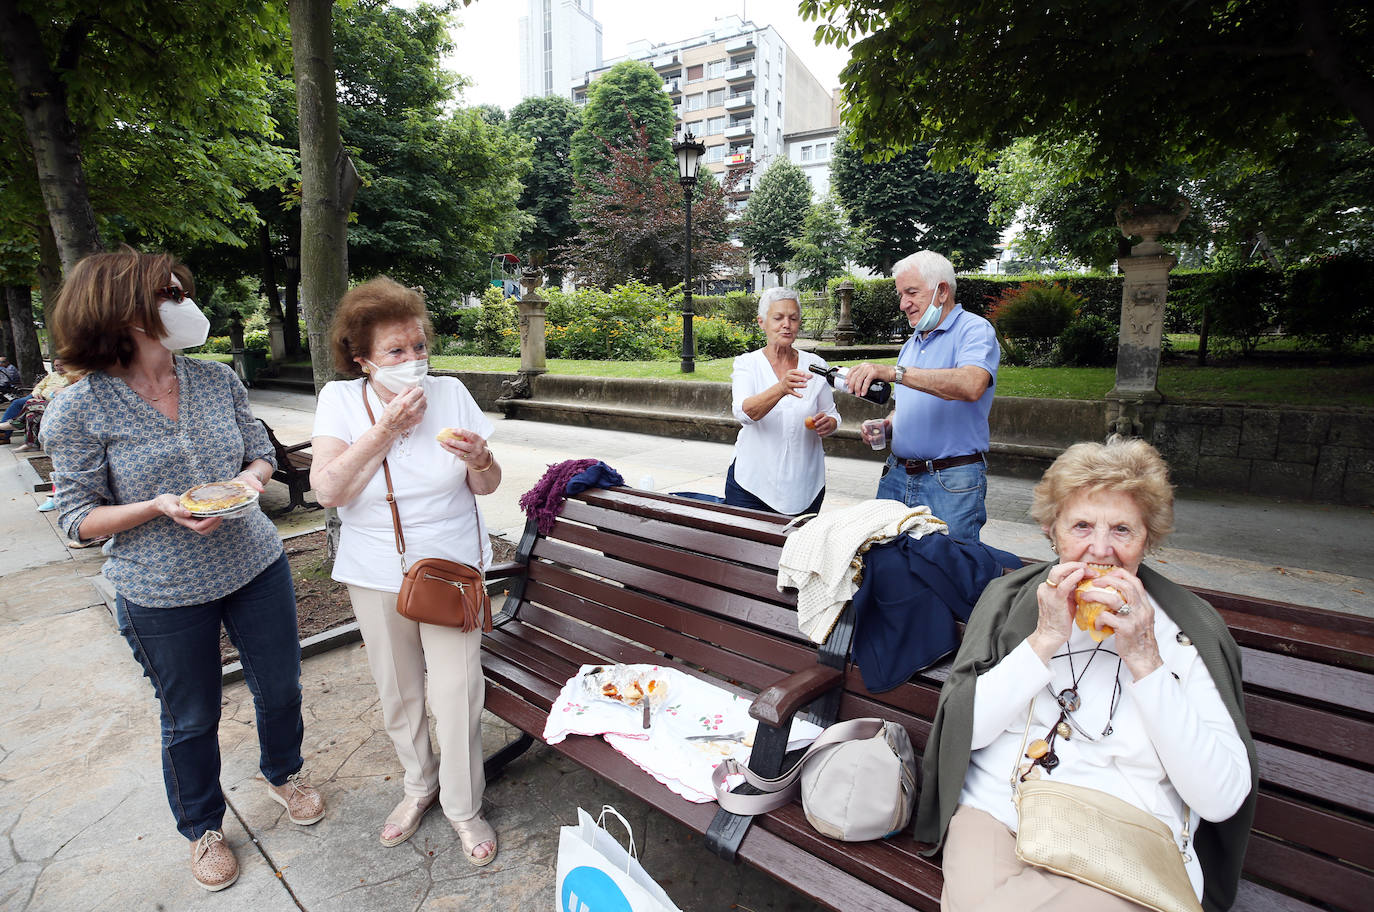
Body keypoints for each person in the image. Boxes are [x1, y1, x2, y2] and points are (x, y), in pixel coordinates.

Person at [40, 249, 323, 892]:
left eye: (180, 291)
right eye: (166, 296)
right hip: (161, 590)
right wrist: (157, 508)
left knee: (281, 689)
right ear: (122, 311)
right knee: (190, 716)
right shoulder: (80, 408)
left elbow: (258, 454)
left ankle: (282, 773)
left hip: (255, 563)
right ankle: (202, 827)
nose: (183, 304)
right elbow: (75, 518)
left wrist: (247, 485)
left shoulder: (216, 378)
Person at [914, 438, 1257, 911]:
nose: (1101, 550)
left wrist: (1145, 660)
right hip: (1000, 814)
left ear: (1147, 538)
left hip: (1125, 840)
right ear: (1052, 530)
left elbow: (1220, 799)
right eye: (1081, 526)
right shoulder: (1012, 603)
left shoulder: (1185, 633)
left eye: (1122, 529)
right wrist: (1046, 639)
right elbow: (961, 735)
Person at [310, 277, 501, 865]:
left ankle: (464, 807)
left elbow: (487, 486)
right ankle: (419, 786)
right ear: (362, 359)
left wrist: (480, 459)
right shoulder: (341, 402)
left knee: (459, 691)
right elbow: (328, 490)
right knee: (400, 691)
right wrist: (387, 428)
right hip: (375, 568)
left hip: (450, 569)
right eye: (396, 351)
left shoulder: (452, 393)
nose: (414, 361)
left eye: (419, 346)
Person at [845, 251, 999, 541]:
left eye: (911, 292)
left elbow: (971, 384)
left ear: (941, 291)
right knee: (885, 563)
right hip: (897, 474)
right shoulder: (913, 342)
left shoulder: (975, 330)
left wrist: (895, 373)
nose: (903, 304)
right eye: (900, 294)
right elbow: (904, 406)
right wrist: (888, 426)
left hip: (950, 480)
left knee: (949, 570)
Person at [725, 287, 840, 515]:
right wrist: (781, 388)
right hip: (752, 485)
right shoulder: (747, 364)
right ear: (762, 322)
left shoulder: (816, 365)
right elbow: (744, 413)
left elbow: (833, 414)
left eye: (793, 318)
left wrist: (829, 423)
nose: (786, 324)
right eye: (778, 318)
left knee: (798, 550)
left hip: (806, 486)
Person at [8, 358, 72, 453]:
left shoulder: (72, 376)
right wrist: (37, 392)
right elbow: (39, 386)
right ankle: (31, 445)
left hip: (56, 404)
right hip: (41, 400)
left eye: (61, 365)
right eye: (56, 366)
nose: (59, 368)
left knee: (30, 403)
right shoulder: (51, 375)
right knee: (31, 415)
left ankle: (15, 424)